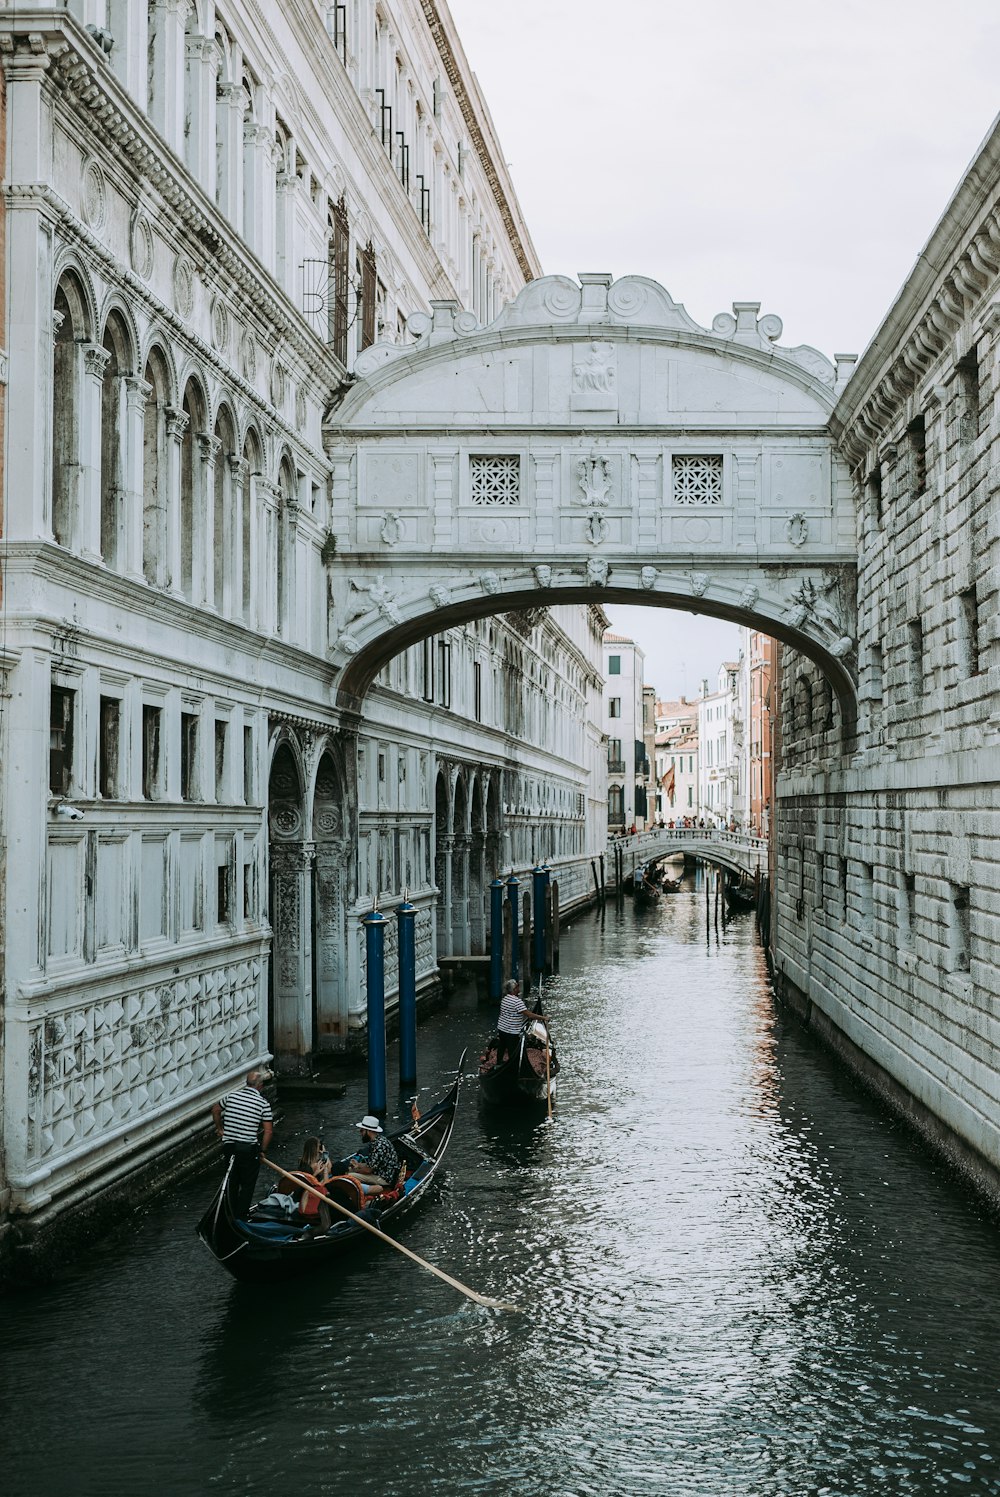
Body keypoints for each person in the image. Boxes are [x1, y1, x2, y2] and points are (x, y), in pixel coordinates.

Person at [211, 1068, 274, 1219]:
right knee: (247, 1184)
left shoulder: (231, 1097)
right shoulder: (263, 1103)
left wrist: (220, 1129)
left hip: (229, 1147)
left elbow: (215, 1110)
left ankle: (229, 1213)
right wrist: (263, 1150)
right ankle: (240, 1217)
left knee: (232, 1182)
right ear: (259, 1086)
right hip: (248, 1149)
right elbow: (268, 1132)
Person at [493, 978, 546, 1069]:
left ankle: (499, 1062)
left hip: (502, 1028)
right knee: (512, 1050)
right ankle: (512, 1067)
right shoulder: (517, 1002)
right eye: (518, 987)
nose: (519, 989)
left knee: (502, 1046)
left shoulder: (504, 999)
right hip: (512, 1031)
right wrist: (543, 1018)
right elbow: (529, 1015)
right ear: (514, 989)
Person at [346, 1115, 400, 1198]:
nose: (360, 1133)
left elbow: (368, 1170)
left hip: (384, 1178)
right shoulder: (379, 1140)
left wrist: (356, 1169)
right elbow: (372, 1164)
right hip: (384, 1173)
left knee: (349, 1175)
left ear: (368, 1131)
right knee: (351, 1170)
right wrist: (358, 1165)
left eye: (362, 1131)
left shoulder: (378, 1146)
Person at [288, 1136, 332, 1228]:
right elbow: (328, 1173)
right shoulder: (316, 1165)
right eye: (318, 1146)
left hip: (301, 1191)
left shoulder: (302, 1162)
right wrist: (325, 1154)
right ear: (315, 1149)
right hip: (309, 1192)